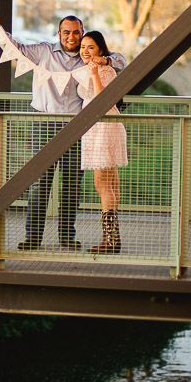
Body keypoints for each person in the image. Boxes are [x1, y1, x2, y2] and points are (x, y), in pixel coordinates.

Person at [0, 14, 126, 251]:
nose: (71, 37)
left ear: (82, 32)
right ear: (58, 33)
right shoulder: (43, 52)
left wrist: (103, 62)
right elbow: (15, 48)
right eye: (66, 32)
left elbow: (121, 61)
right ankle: (32, 238)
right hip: (44, 122)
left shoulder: (89, 56)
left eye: (76, 32)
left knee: (72, 183)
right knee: (40, 182)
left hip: (78, 126)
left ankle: (66, 239)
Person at [78, 30, 128, 254]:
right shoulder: (88, 68)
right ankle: (113, 238)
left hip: (104, 127)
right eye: (82, 47)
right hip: (96, 128)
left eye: (90, 47)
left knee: (103, 184)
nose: (85, 51)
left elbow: (102, 99)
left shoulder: (105, 70)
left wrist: (96, 73)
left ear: (100, 50)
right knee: (110, 184)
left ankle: (110, 240)